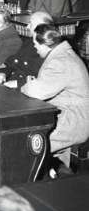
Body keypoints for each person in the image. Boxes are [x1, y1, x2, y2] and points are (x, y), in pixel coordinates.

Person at [20, 24, 89, 168]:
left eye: (35, 43)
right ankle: (49, 171)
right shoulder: (62, 55)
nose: (34, 47)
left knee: (29, 143)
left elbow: (36, 91)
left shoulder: (60, 61)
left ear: (45, 45)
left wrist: (27, 86)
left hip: (74, 120)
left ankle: (41, 176)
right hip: (66, 113)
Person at [0, 11, 53, 86]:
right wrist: (2, 73)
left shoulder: (48, 49)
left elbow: (44, 81)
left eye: (31, 24)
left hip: (27, 88)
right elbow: (10, 62)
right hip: (11, 82)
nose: (27, 26)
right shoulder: (29, 42)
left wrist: (17, 84)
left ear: (42, 28)